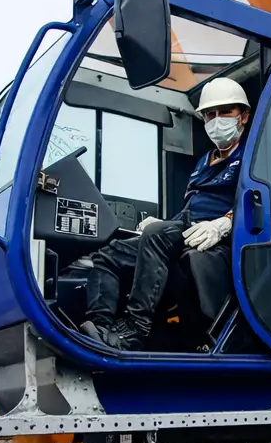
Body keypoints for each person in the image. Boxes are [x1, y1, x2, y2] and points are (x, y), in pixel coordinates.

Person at [79, 78, 251, 350]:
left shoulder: (252, 156)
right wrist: (166, 222)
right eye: (210, 114)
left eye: (225, 112)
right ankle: (100, 328)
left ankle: (135, 330)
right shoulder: (203, 162)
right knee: (109, 255)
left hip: (219, 236)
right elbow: (190, 208)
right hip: (187, 228)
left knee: (155, 235)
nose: (217, 120)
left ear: (244, 116)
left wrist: (225, 224)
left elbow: (260, 201)